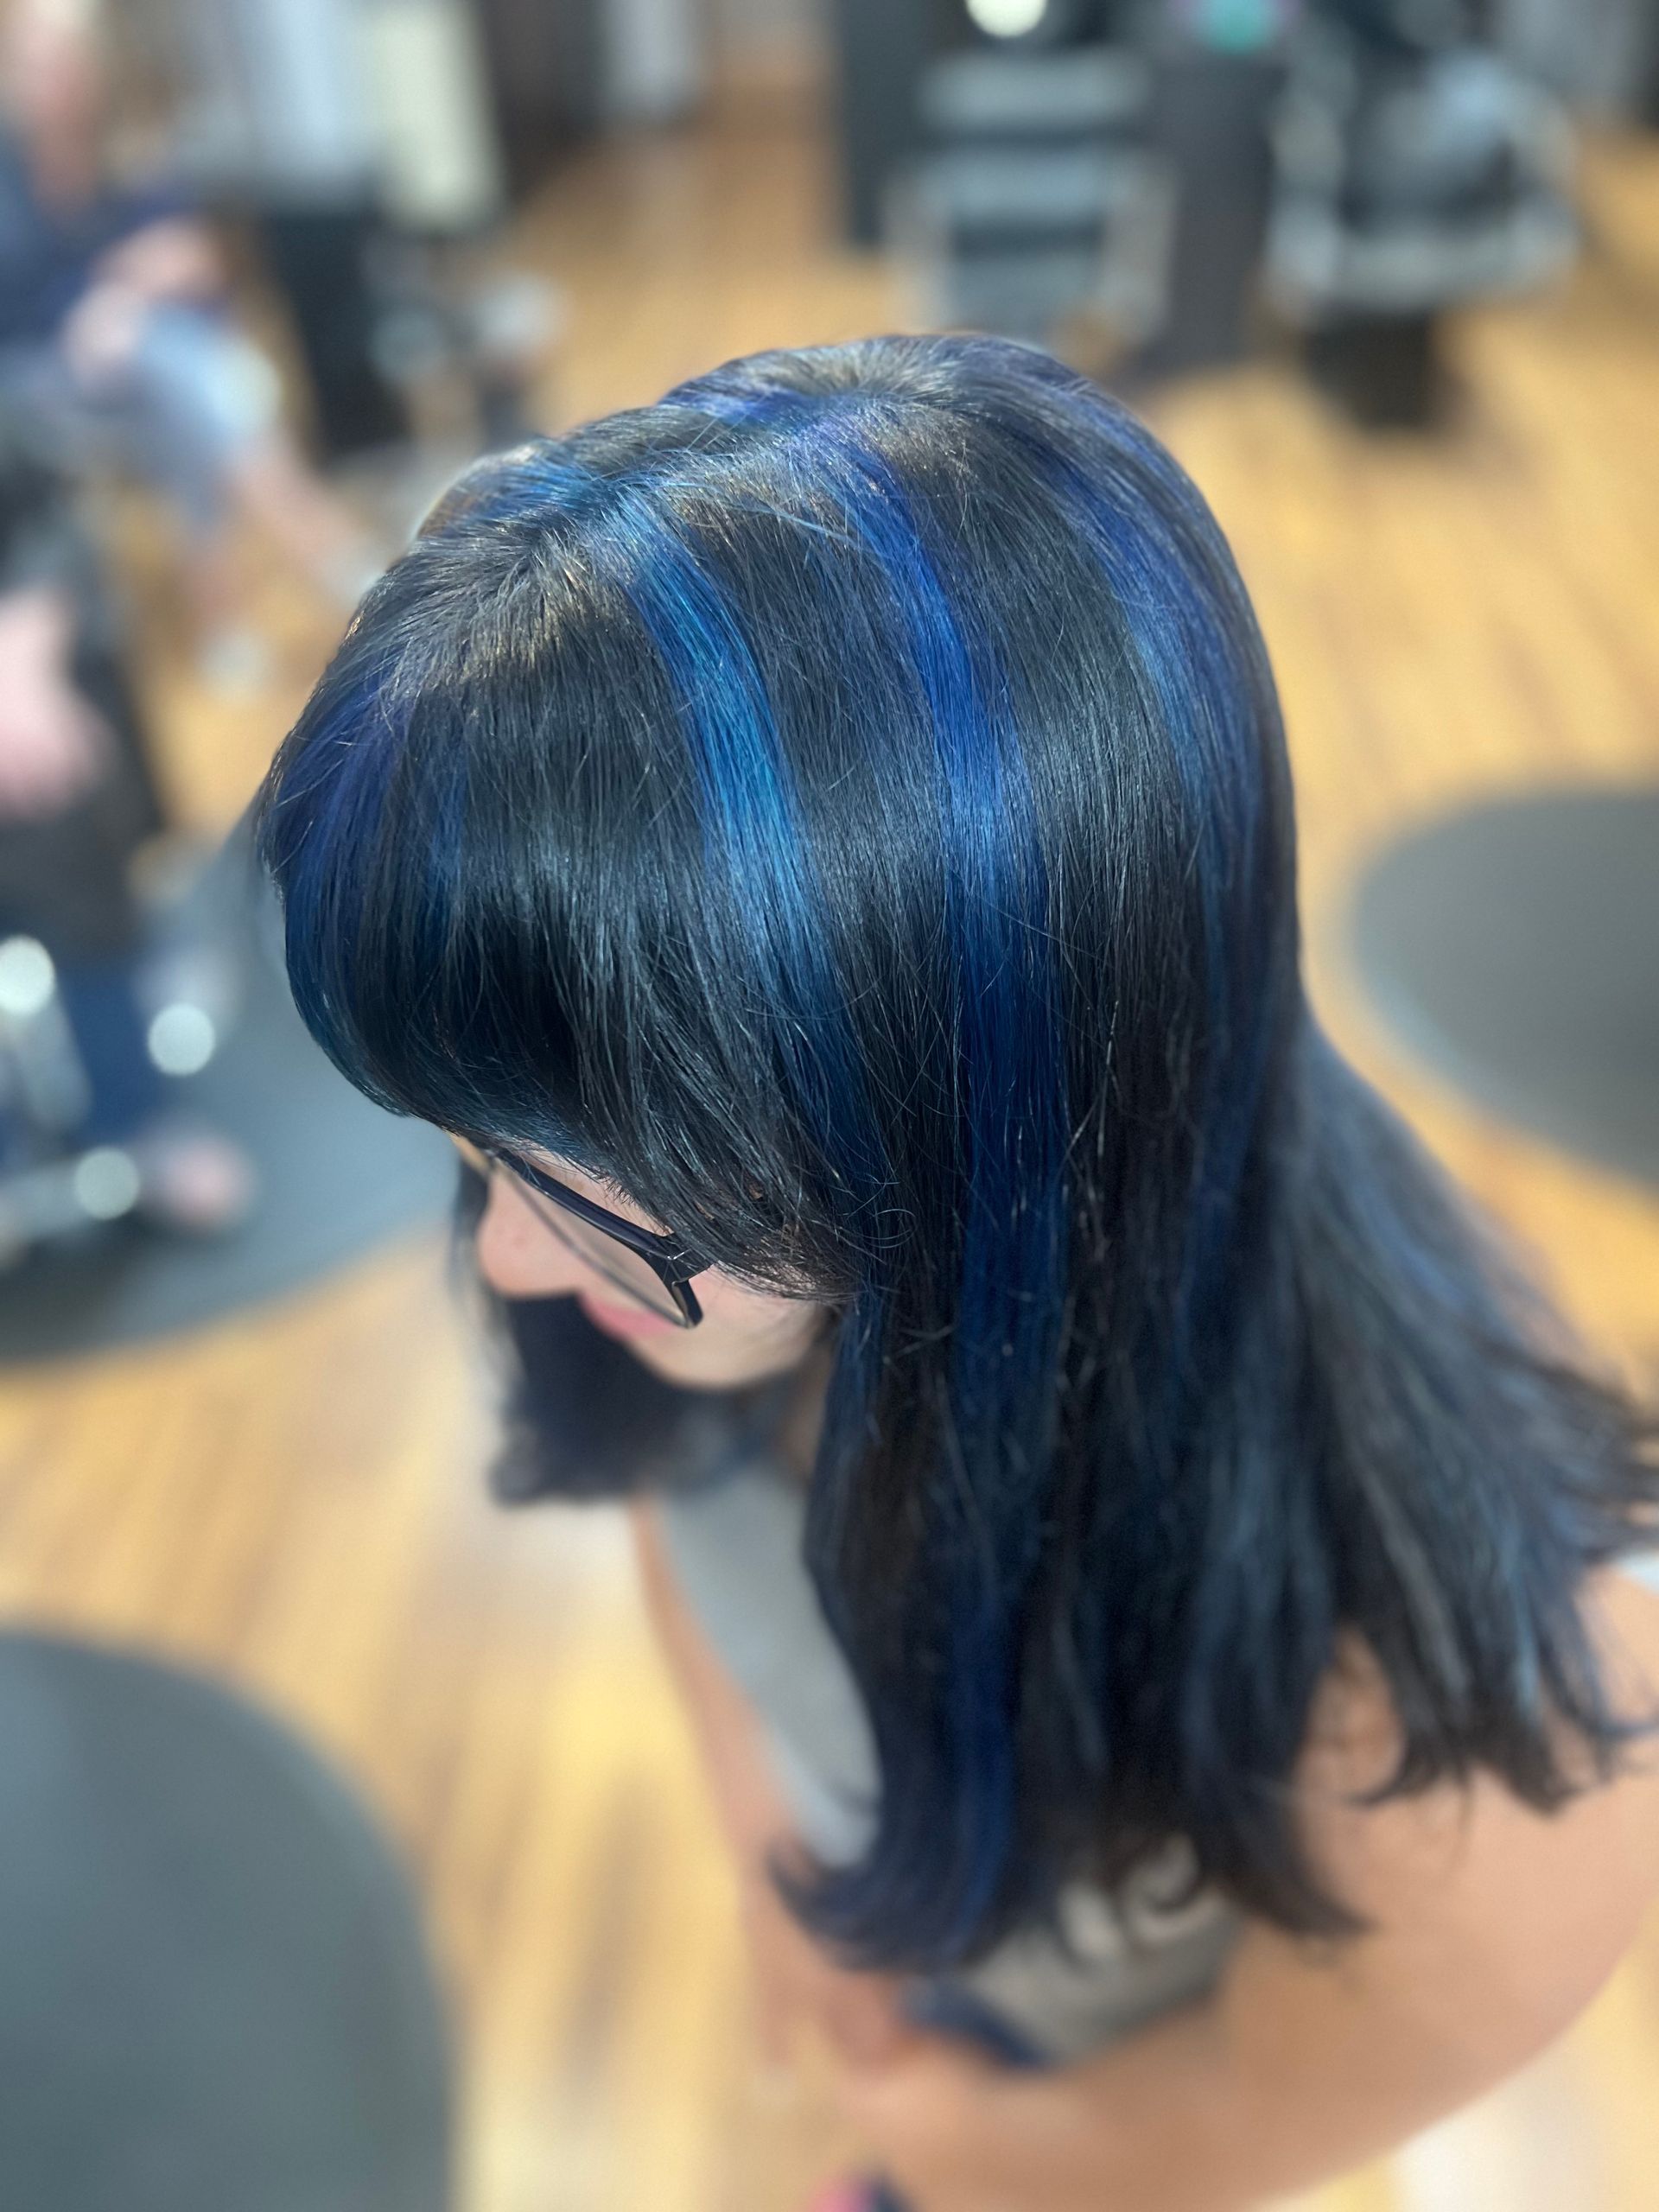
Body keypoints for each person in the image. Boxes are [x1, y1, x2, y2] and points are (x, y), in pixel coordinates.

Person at [252, 334, 1659, 2211]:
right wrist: (780, 1866)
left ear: (970, 1146)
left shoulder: (1484, 1730)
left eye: (590, 1203)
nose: (507, 1256)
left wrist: (912, 2116)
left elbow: (1234, 2119)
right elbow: (687, 1529)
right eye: (471, 1159)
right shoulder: (673, 1285)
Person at [0, 0, 379, 684]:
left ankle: (224, 624)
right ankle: (333, 562)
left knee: (168, 385)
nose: (46, 79)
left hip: (146, 371)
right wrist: (97, 304)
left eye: (61, 62)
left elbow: (199, 268)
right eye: (32, 62)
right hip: (36, 380)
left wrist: (135, 291)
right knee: (179, 370)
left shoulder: (133, 151)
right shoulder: (8, 178)